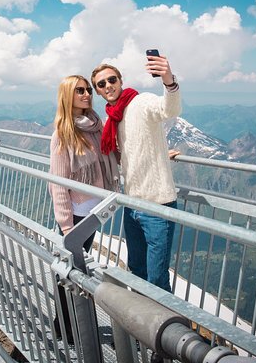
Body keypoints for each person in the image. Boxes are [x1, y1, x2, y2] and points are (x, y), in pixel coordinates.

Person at [91, 53, 181, 293]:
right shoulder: (113, 118)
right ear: (98, 92)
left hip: (157, 206)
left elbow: (168, 109)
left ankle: (162, 327)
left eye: (112, 80)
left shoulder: (140, 103)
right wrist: (161, 153)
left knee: (157, 279)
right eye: (102, 84)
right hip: (131, 205)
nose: (108, 86)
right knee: (137, 272)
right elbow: (126, 153)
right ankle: (143, 326)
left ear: (120, 81)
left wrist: (168, 81)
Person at [48, 75, 119, 337]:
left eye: (88, 89)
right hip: (76, 218)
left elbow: (112, 153)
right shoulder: (62, 134)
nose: (87, 94)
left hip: (94, 212)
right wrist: (67, 228)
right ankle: (64, 326)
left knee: (77, 268)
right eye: (80, 90)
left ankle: (73, 325)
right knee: (69, 269)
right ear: (68, 95)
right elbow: (58, 184)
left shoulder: (96, 126)